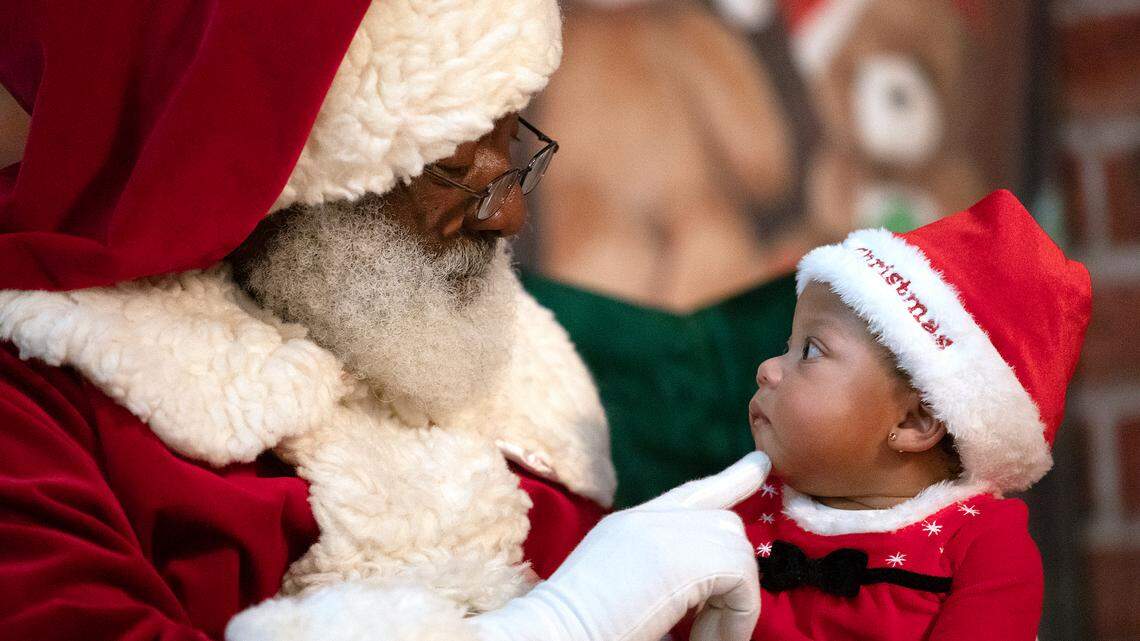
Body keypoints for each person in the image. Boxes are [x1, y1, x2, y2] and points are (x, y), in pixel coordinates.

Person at [0, 2, 765, 640]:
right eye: (453, 164)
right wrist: (557, 625)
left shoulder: (509, 359)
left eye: (513, 139)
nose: (510, 213)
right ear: (276, 165)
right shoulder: (38, 404)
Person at [738, 189, 1091, 639]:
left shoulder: (981, 547)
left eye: (809, 350)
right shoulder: (744, 507)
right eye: (784, 347)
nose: (766, 370)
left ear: (914, 422)